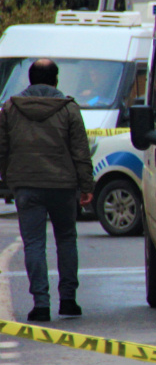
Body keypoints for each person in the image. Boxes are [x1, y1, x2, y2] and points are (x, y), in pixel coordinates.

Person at [0, 60, 92, 322]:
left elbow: (2, 147)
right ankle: (68, 301)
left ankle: (40, 304)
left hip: (26, 185)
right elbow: (80, 150)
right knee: (66, 238)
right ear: (56, 80)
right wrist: (86, 186)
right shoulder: (69, 108)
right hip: (63, 185)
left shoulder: (10, 108)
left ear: (29, 79)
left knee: (34, 243)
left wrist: (8, 178)